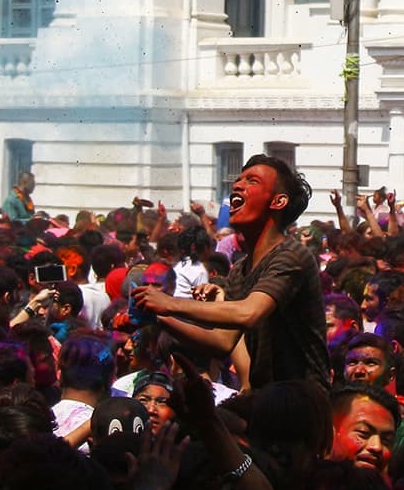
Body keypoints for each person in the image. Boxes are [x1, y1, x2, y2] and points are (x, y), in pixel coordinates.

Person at [131, 152, 329, 388]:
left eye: (252, 181)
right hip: (265, 396)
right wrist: (159, 317)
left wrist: (170, 303)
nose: (237, 185)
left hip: (302, 398)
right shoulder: (240, 270)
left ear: (278, 202)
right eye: (238, 180)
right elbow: (223, 341)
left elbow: (249, 312)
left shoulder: (291, 254)